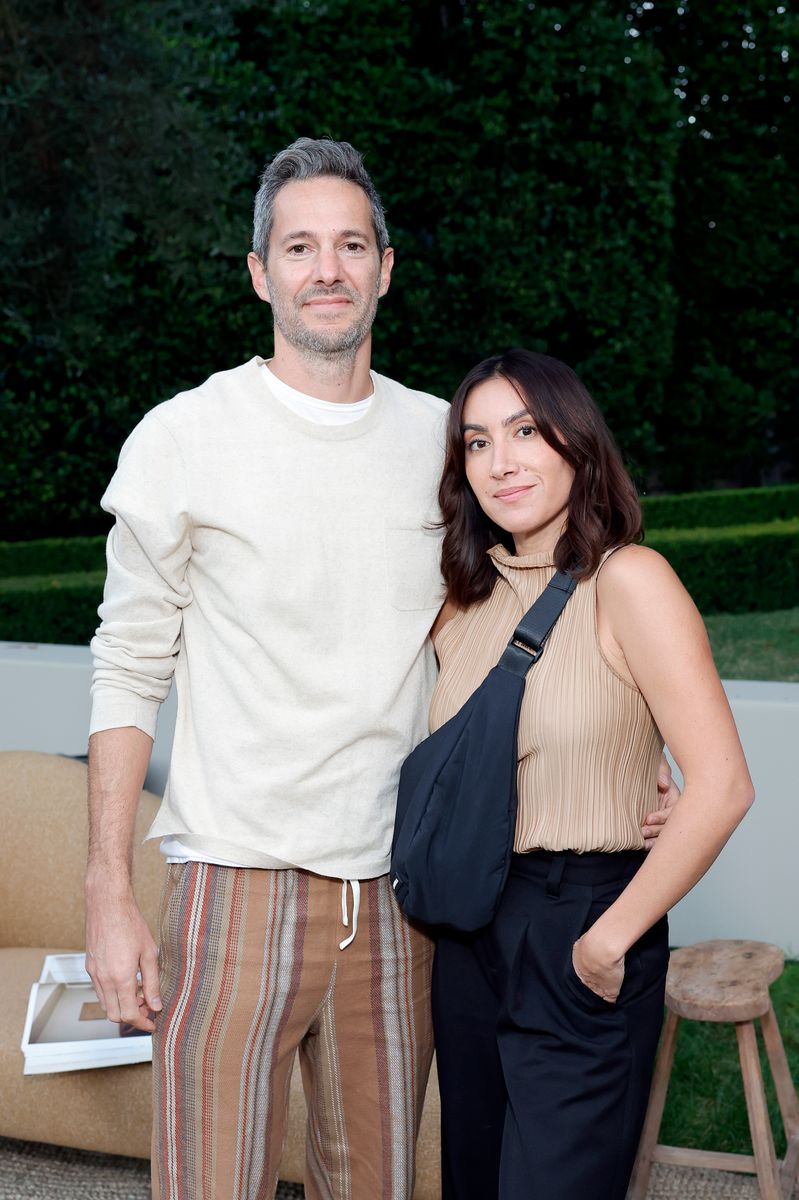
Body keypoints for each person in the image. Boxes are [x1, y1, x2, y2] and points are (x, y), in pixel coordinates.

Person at [85, 138, 676, 1200]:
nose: (327, 269)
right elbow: (128, 666)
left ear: (385, 267)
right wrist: (106, 890)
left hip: (406, 903)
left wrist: (632, 756)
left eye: (350, 244)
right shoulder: (182, 437)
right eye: (298, 246)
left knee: (382, 1183)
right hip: (236, 879)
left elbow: (519, 620)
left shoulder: (444, 441)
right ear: (259, 272)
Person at [427, 348, 754, 1200]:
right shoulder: (461, 600)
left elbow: (722, 784)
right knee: (472, 1179)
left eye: (526, 431)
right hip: (467, 932)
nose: (501, 461)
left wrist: (609, 939)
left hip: (578, 920)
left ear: (575, 441)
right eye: (476, 441)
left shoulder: (629, 580)